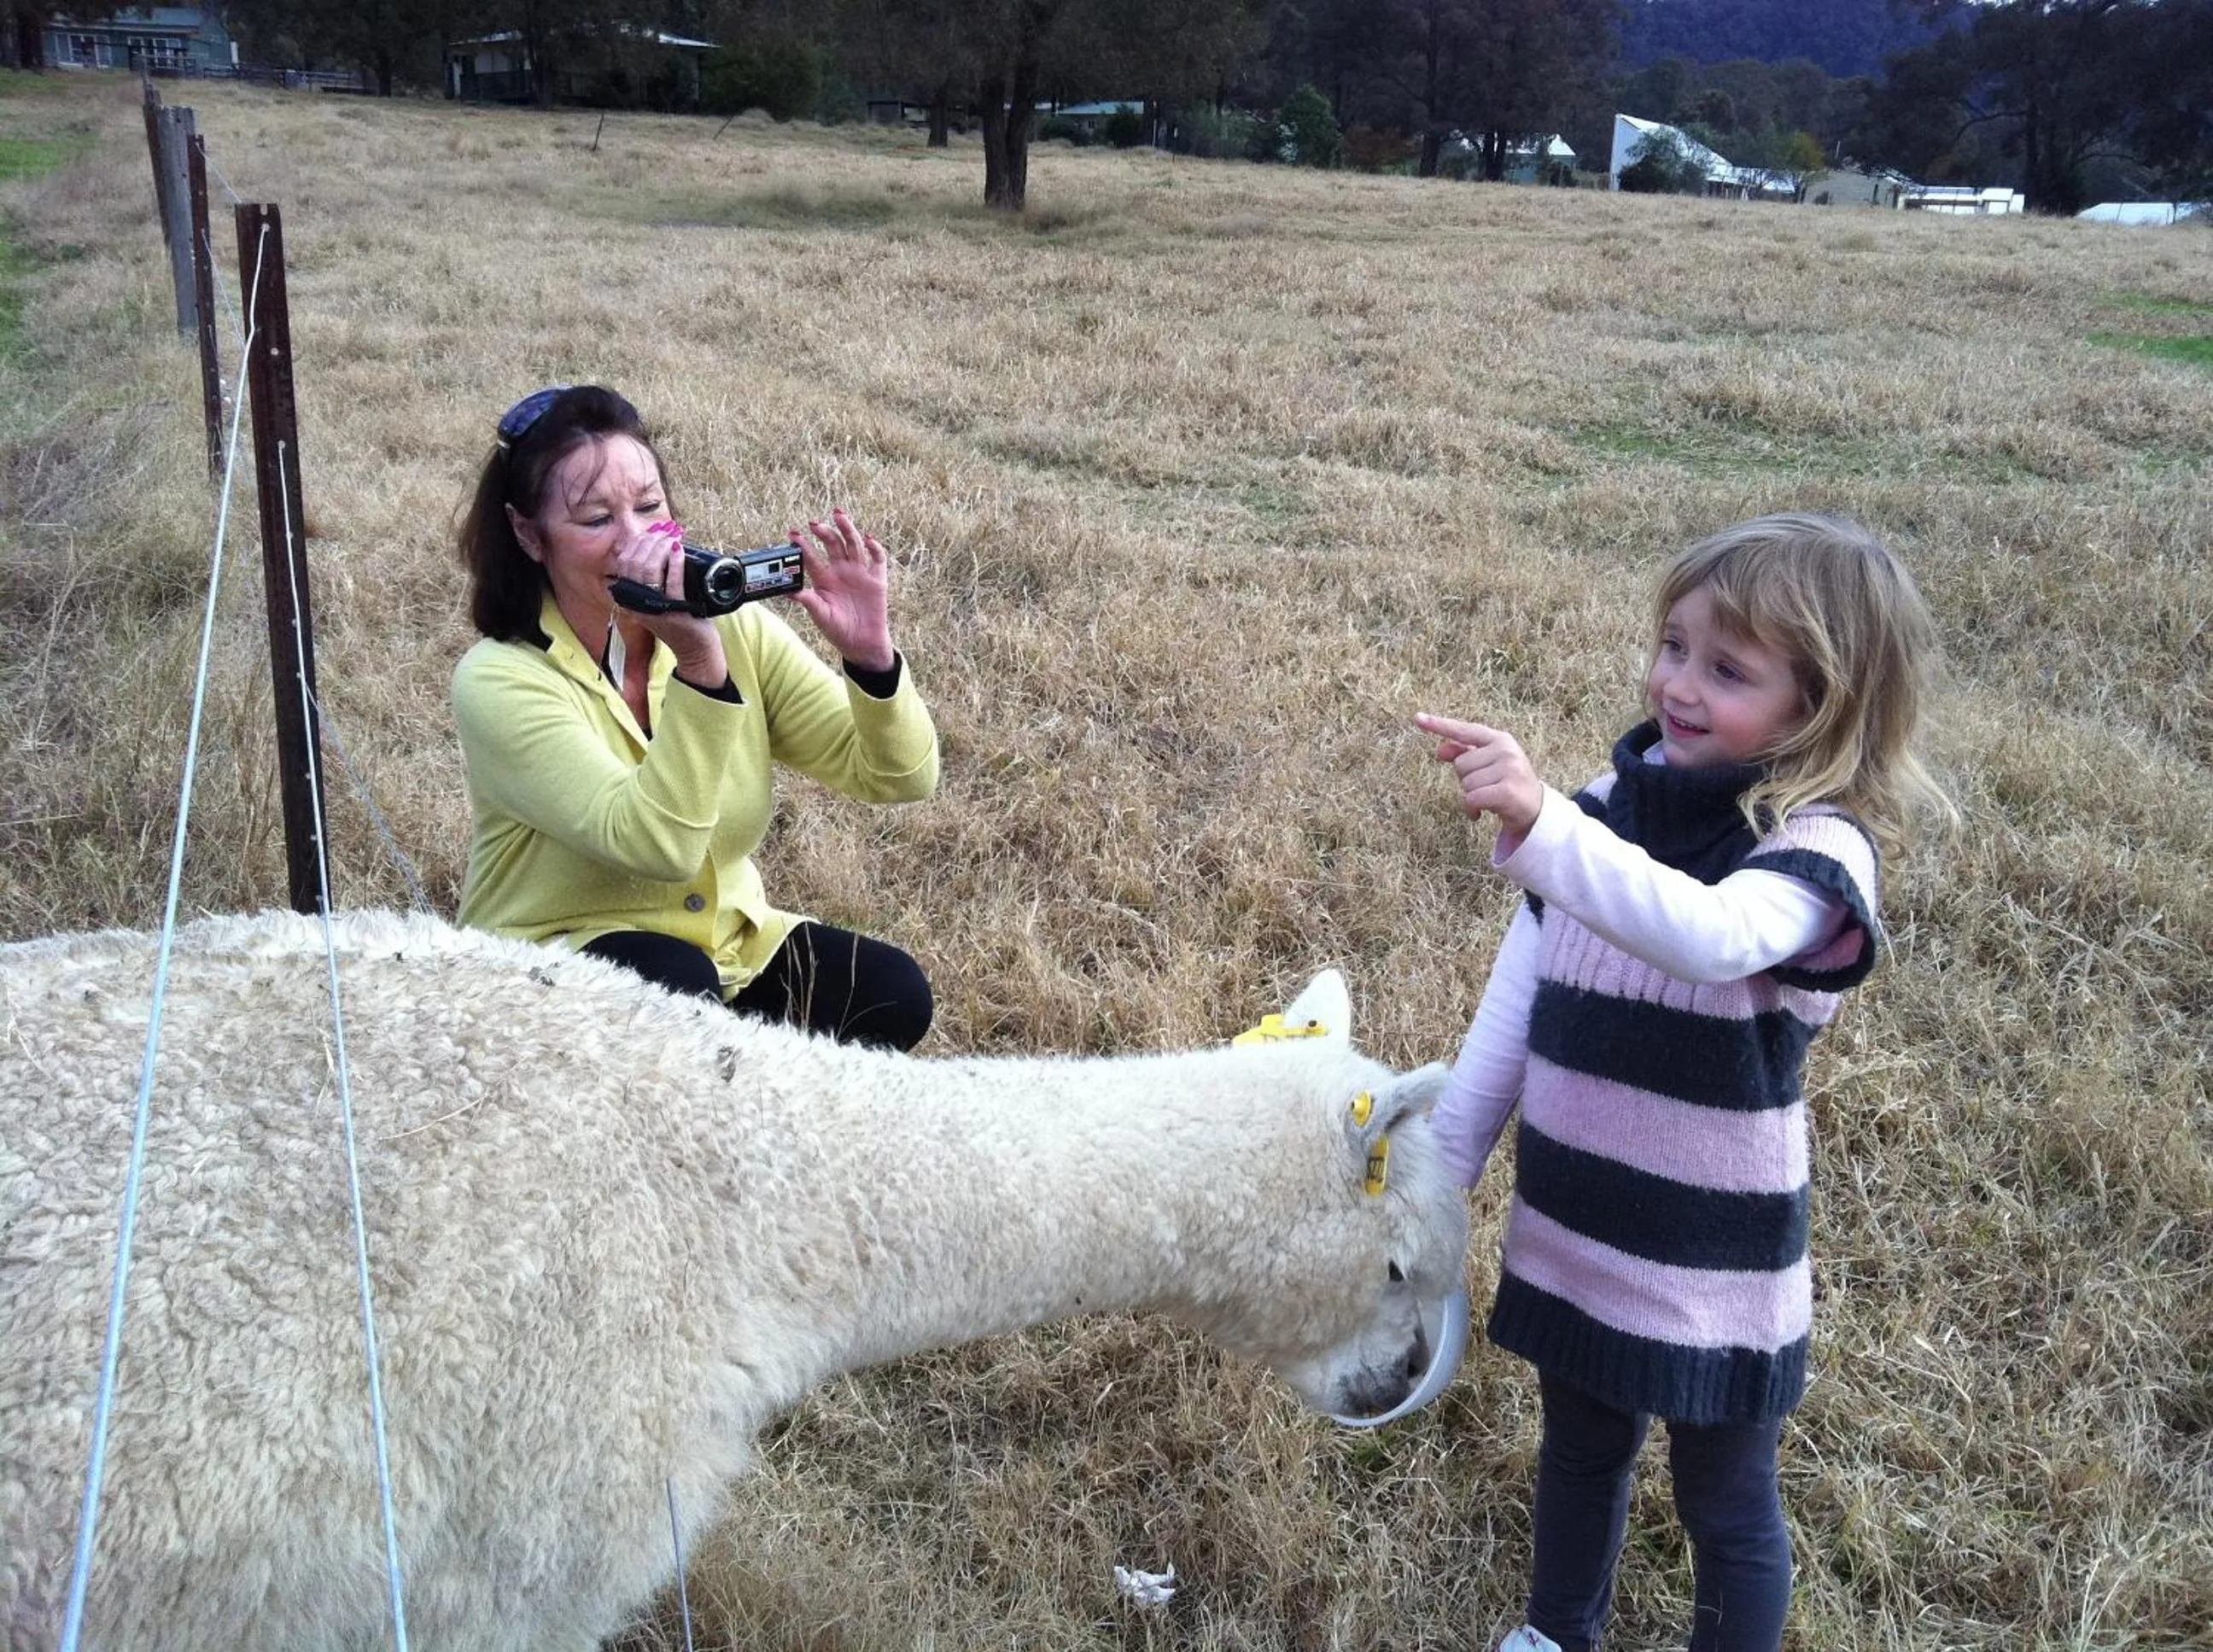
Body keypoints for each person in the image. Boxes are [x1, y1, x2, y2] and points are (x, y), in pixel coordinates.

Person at [1413, 514, 1953, 1652]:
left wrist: (1548, 823)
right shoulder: (1612, 806)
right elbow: (1521, 996)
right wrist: (1438, 1171)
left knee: (1725, 1500)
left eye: (1728, 667)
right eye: (1673, 646)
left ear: (1826, 704)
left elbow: (1709, 936)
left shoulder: (1818, 849)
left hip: (1713, 1260)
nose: (1680, 684)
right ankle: (1557, 1630)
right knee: (1580, 1450)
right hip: (1581, 1223)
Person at [453, 383, 939, 1051]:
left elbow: (899, 776)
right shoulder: (499, 680)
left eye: (650, 507)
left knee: (893, 994)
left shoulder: (741, 628)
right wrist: (700, 665)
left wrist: (872, 660)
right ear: (528, 535)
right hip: (553, 957)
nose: (636, 540)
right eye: (596, 520)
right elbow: (658, 847)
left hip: (725, 948)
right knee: (679, 992)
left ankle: (732, 1080)